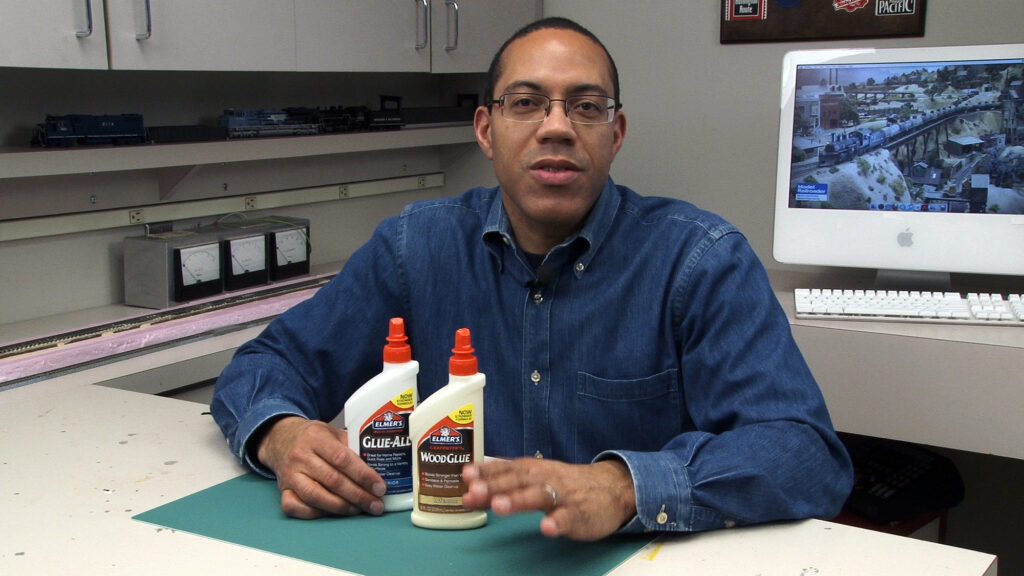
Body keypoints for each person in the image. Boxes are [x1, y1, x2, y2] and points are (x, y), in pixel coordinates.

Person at [211, 17, 853, 542]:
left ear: (615, 133)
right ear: (487, 131)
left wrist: (623, 486)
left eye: (585, 106)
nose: (556, 126)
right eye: (526, 103)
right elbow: (265, 366)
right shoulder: (416, 247)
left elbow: (803, 454)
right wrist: (283, 435)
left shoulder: (701, 261)